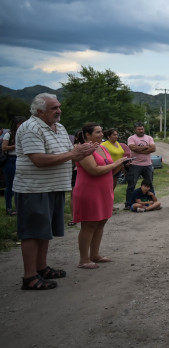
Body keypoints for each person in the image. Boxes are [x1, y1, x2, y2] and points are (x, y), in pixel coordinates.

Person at [14, 93, 97, 290]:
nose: (59, 111)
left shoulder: (59, 128)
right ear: (39, 111)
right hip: (34, 188)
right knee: (32, 233)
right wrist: (73, 154)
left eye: (59, 107)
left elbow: (70, 155)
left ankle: (41, 268)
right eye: (54, 108)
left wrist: (83, 152)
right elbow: (39, 160)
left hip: (54, 186)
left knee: (44, 231)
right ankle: (29, 276)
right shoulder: (30, 128)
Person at [73, 122, 129, 269]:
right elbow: (94, 170)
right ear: (87, 135)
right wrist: (117, 162)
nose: (102, 134)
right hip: (89, 191)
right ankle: (84, 259)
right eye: (98, 132)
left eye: (101, 131)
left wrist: (122, 164)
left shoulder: (102, 147)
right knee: (89, 224)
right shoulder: (82, 149)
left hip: (104, 190)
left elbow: (110, 170)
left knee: (101, 222)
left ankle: (95, 254)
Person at [126, 122, 156, 210]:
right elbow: (133, 148)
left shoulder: (149, 137)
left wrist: (139, 150)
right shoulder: (131, 138)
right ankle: (128, 203)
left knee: (150, 184)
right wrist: (147, 147)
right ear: (135, 130)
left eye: (142, 129)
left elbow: (153, 149)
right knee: (132, 185)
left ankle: (151, 202)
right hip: (135, 164)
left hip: (147, 165)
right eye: (139, 129)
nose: (141, 131)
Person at [2, 116, 26, 215]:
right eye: (19, 123)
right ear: (15, 124)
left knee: (22, 185)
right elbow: (4, 148)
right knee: (10, 185)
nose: (21, 125)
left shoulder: (26, 134)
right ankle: (8, 207)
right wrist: (17, 145)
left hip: (23, 159)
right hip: (11, 159)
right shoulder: (9, 134)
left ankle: (20, 207)